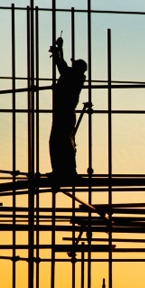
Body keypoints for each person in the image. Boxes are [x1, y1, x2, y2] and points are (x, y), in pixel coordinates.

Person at [49, 36, 87, 180]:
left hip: (65, 114)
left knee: (63, 142)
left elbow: (63, 67)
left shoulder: (75, 77)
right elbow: (63, 66)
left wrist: (59, 52)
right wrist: (59, 51)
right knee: (58, 142)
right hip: (62, 114)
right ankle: (61, 170)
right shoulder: (74, 75)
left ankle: (68, 171)